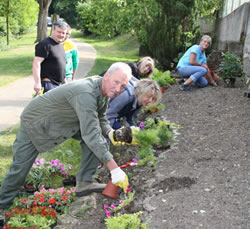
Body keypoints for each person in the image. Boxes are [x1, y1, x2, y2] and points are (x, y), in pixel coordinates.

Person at [0, 63, 135, 226]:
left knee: (99, 137)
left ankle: (85, 182)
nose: (119, 89)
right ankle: (2, 206)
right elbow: (90, 134)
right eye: (116, 82)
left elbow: (100, 119)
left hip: (60, 121)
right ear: (107, 75)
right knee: (19, 170)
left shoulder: (103, 91)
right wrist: (114, 168)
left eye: (123, 86)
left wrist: (110, 133)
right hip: (36, 122)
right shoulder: (86, 92)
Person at [32, 20, 68, 95]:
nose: (61, 35)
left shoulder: (60, 45)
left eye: (63, 33)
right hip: (48, 84)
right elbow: (36, 63)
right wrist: (37, 83)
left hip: (59, 85)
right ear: (53, 30)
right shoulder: (45, 44)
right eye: (59, 32)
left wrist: (65, 83)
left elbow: (61, 66)